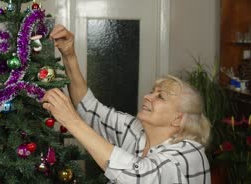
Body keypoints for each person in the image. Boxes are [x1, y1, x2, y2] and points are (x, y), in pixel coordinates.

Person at [42, 25, 211, 183]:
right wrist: (69, 55)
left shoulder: (190, 153)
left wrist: (71, 121)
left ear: (177, 119)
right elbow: (88, 107)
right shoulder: (135, 130)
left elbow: (139, 176)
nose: (147, 96)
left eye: (160, 97)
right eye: (152, 91)